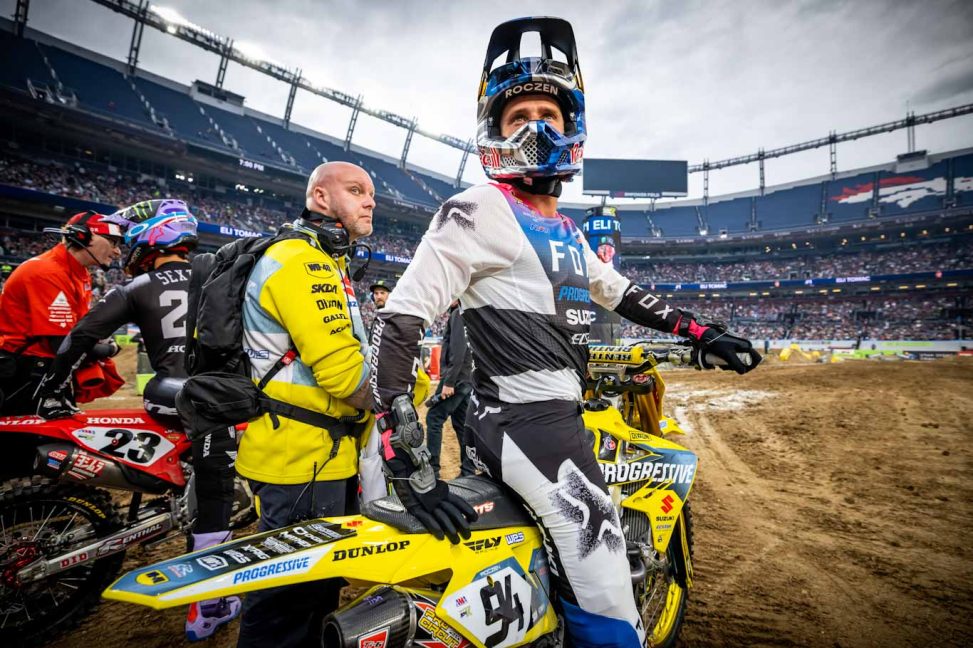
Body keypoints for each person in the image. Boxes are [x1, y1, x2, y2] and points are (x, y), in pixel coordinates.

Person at [370, 18, 761, 648]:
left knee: (556, 578)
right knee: (612, 610)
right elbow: (403, 318)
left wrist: (700, 331)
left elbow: (619, 292)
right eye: (518, 116)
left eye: (548, 114)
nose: (535, 128)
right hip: (528, 426)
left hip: (548, 420)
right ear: (493, 133)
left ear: (571, 126)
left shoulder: (568, 231)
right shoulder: (476, 209)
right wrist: (406, 456)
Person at [30, 199, 238, 641]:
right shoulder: (221, 276)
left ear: (153, 239)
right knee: (217, 481)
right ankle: (209, 602)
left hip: (166, 396)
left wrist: (50, 390)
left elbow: (81, 335)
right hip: (216, 399)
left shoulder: (137, 285)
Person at [235, 161, 375, 648]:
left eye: (370, 193)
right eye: (356, 190)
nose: (369, 200)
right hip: (302, 460)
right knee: (286, 604)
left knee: (316, 592)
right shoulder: (304, 261)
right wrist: (401, 392)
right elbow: (344, 376)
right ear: (320, 199)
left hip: (314, 454)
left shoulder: (323, 259)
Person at [0, 211, 123, 415]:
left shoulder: (78, 271)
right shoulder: (47, 272)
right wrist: (110, 349)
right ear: (82, 236)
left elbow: (77, 333)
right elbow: (64, 346)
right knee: (32, 442)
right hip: (25, 373)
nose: (118, 252)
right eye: (113, 242)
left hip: (47, 369)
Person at [425, 300, 475, 478]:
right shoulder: (467, 313)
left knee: (434, 418)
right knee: (461, 424)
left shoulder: (457, 315)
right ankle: (468, 471)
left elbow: (458, 350)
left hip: (456, 378)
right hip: (466, 377)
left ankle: (433, 471)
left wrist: (449, 383)